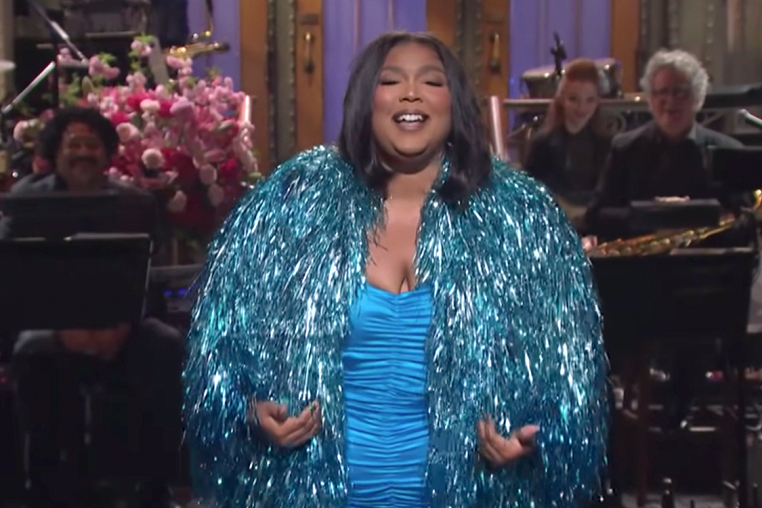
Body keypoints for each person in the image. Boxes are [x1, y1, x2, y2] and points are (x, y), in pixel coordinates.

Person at [184, 31, 608, 508]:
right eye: (391, 81)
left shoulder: (522, 217)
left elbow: (570, 372)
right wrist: (251, 413)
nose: (411, 93)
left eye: (431, 81)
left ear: (454, 103)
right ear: (366, 100)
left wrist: (533, 439)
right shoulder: (291, 205)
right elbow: (219, 357)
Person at [2, 107, 184, 508]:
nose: (84, 152)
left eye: (92, 144)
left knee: (167, 344)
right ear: (55, 151)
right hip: (50, 329)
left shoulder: (135, 203)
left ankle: (154, 483)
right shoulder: (26, 201)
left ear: (107, 153)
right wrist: (66, 332)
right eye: (74, 144)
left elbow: (147, 279)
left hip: (121, 327)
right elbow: (14, 280)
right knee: (29, 353)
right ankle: (48, 487)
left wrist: (121, 327)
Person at [586, 49, 744, 238]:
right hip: (644, 256)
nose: (670, 100)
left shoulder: (728, 151)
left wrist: (689, 215)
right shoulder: (625, 148)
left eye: (679, 92)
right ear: (651, 99)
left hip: (708, 255)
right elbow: (595, 216)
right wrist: (655, 215)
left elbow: (747, 219)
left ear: (697, 96)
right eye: (662, 92)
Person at [523, 58, 611, 234]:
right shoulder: (542, 144)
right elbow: (529, 195)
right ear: (561, 99)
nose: (582, 108)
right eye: (574, 99)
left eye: (590, 100)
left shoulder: (606, 143)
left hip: (595, 231)